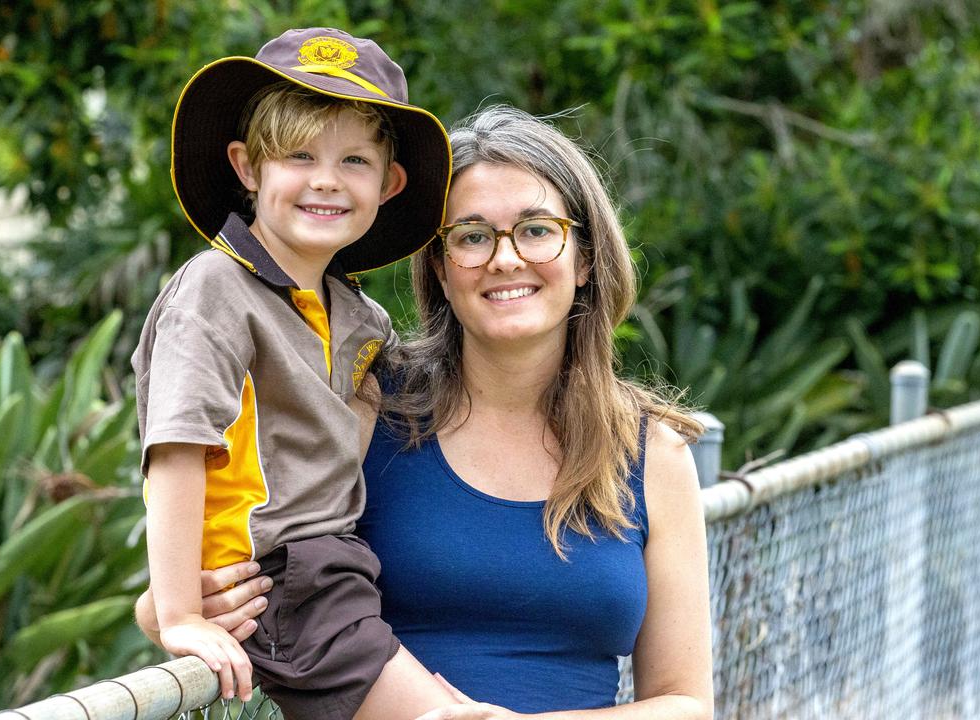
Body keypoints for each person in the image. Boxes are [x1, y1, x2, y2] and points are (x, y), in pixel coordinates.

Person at [138, 105, 715, 718]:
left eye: (537, 229)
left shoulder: (652, 454)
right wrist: (171, 610)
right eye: (471, 236)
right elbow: (256, 552)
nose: (505, 258)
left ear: (587, 257)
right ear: (439, 269)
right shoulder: (370, 399)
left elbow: (684, 704)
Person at [132, 26, 459, 720]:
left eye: (353, 160)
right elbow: (178, 445)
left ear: (389, 183)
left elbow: (358, 451)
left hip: (344, 572)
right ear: (248, 168)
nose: (325, 179)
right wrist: (177, 611)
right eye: (298, 155)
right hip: (279, 581)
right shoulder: (216, 289)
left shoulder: (360, 317)